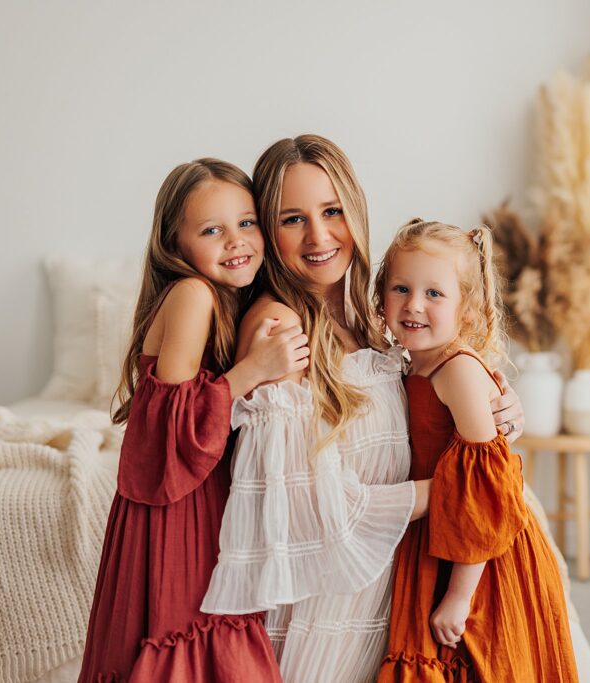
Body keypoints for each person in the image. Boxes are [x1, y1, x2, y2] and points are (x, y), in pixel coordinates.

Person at [201, 135, 525, 683]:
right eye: (291, 219)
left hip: (389, 593)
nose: (319, 235)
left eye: (331, 211)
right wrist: (464, 489)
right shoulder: (281, 330)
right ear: (265, 230)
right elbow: (313, 511)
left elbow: (430, 402)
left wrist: (495, 405)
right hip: (329, 612)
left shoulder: (372, 321)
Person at [79, 158, 307, 682]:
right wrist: (253, 370)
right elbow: (170, 429)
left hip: (193, 493)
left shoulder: (228, 302)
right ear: (175, 245)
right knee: (188, 635)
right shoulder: (193, 294)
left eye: (246, 222)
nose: (236, 241)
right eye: (212, 230)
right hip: (178, 507)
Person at [375, 219, 577, 682]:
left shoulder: (456, 371)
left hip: (479, 555)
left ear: (466, 309)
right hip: (441, 535)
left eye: (434, 294)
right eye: (401, 288)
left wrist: (460, 596)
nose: (413, 305)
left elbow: (487, 491)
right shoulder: (413, 365)